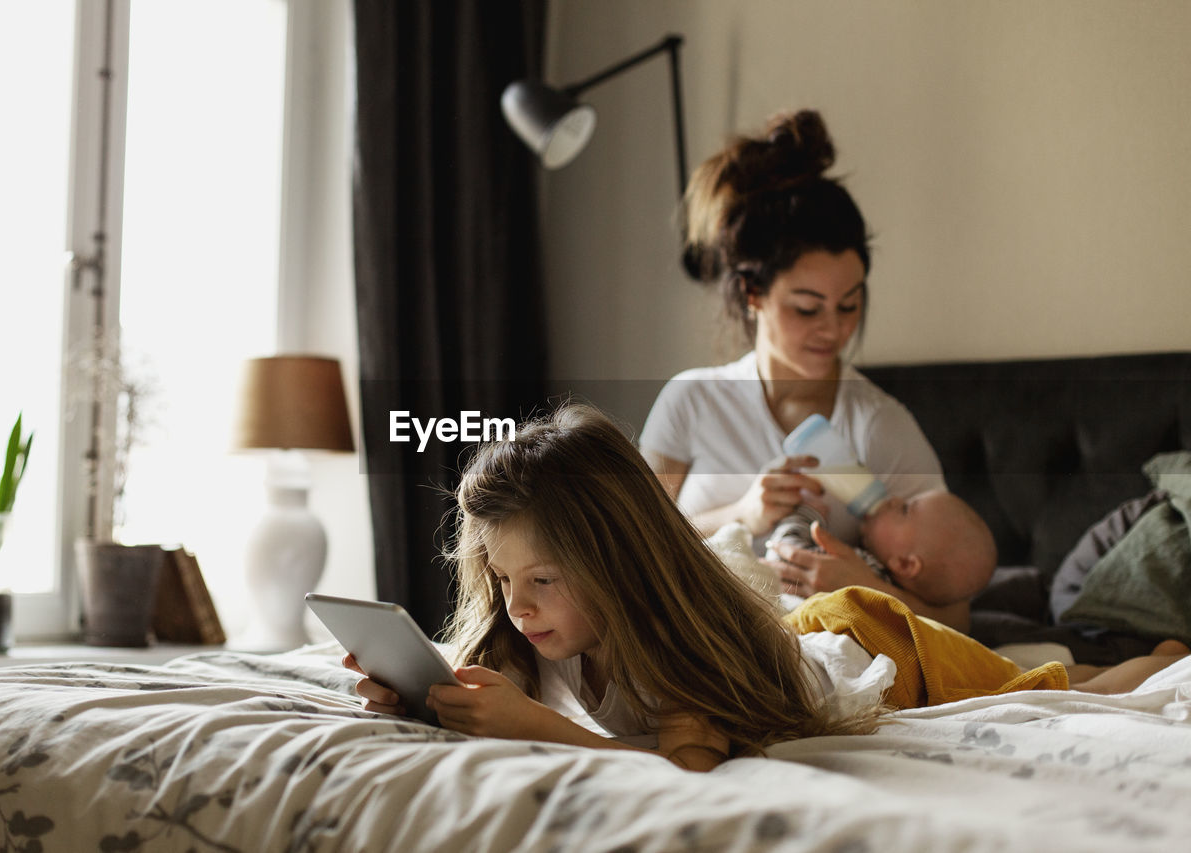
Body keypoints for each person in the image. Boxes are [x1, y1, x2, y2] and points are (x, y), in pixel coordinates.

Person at [345, 405, 1189, 771]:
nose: (517, 605)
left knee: (1054, 685)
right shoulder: (543, 627)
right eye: (501, 579)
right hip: (806, 632)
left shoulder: (664, 646)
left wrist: (535, 726)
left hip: (877, 640)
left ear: (620, 564)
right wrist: (424, 693)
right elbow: (499, 681)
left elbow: (689, 765)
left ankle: (1159, 654)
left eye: (540, 579)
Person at [639, 108, 949, 618]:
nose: (834, 328)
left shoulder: (878, 425)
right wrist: (743, 514)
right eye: (807, 308)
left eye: (849, 305)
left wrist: (869, 589)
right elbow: (626, 545)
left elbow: (958, 620)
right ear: (752, 293)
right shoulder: (691, 400)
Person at [762, 489, 997, 633]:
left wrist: (807, 514)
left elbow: (785, 557)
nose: (893, 499)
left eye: (905, 509)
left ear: (905, 565)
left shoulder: (866, 569)